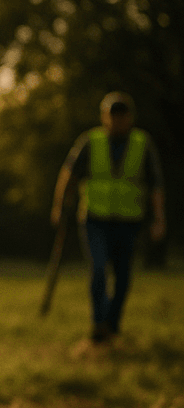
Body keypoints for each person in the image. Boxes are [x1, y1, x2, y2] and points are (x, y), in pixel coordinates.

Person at [51, 92, 167, 343]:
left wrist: (159, 218)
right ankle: (98, 325)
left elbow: (156, 184)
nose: (117, 122)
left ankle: (112, 326)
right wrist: (59, 206)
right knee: (99, 270)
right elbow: (68, 174)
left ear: (130, 118)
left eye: (122, 117)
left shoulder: (142, 143)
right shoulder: (90, 142)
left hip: (129, 221)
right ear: (105, 117)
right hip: (95, 218)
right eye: (113, 117)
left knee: (124, 277)